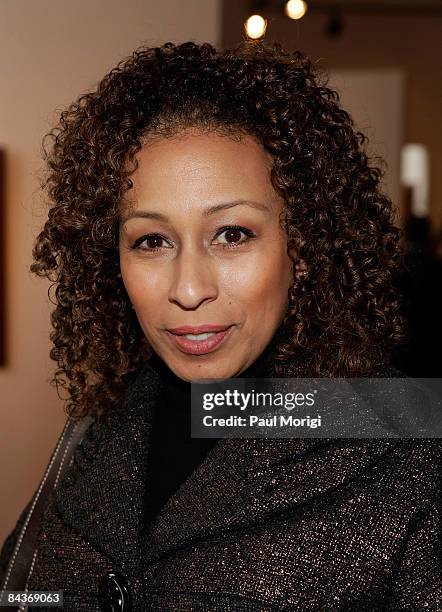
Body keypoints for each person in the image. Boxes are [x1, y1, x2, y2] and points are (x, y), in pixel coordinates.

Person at [0, 40, 440, 611]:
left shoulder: (408, 455)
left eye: (232, 234)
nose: (187, 289)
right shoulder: (101, 425)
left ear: (302, 244)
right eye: (151, 241)